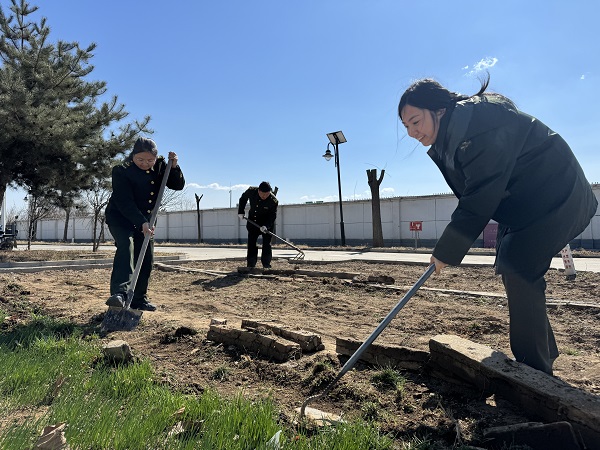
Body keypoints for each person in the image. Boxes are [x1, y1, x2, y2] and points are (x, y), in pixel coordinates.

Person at [398, 75, 597, 375]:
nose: (412, 132)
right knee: (511, 266)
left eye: (416, 121)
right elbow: (479, 193)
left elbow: (479, 195)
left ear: (439, 110)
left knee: (518, 268)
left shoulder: (476, 126)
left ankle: (534, 371)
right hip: (525, 202)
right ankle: (541, 354)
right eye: (406, 127)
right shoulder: (454, 133)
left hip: (557, 194)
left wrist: (446, 250)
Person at [104, 137, 185, 311]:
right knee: (127, 247)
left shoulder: (160, 167)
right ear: (133, 155)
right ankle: (120, 293)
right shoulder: (121, 170)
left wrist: (174, 167)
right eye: (140, 159)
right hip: (120, 217)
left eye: (150, 160)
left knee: (146, 257)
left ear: (155, 157)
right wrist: (141, 221)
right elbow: (124, 201)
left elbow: (177, 185)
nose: (145, 163)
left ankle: (139, 299)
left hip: (147, 220)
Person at [237, 181, 278, 268]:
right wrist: (241, 211)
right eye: (262, 194)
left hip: (266, 224)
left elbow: (272, 216)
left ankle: (266, 265)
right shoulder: (251, 191)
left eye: (266, 194)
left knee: (266, 244)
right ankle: (251, 264)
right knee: (252, 243)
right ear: (259, 191)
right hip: (253, 221)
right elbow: (243, 198)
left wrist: (266, 226)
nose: (264, 197)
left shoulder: (273, 201)